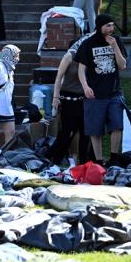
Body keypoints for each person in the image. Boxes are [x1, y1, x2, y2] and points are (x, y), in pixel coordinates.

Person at [75, 14, 128, 164]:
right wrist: (85, 87)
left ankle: (114, 158)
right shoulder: (88, 44)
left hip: (114, 92)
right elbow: (81, 69)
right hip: (95, 94)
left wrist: (115, 47)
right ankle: (98, 161)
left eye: (112, 25)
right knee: (95, 130)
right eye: (108, 26)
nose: (111, 29)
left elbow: (123, 66)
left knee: (117, 126)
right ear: (100, 27)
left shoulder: (116, 41)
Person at [49, 33, 94, 165]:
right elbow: (58, 78)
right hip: (68, 98)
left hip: (84, 99)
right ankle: (55, 159)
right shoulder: (70, 56)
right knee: (68, 131)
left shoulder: (88, 58)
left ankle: (84, 162)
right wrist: (55, 98)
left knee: (85, 132)